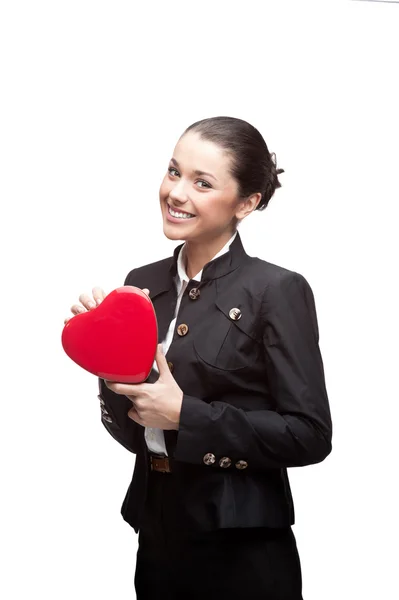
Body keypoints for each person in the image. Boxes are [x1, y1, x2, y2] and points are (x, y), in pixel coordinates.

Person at [66, 116, 332, 599]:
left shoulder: (276, 290)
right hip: (158, 534)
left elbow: (310, 434)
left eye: (201, 182)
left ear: (247, 203)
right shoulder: (142, 284)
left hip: (243, 548)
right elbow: (136, 435)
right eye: (173, 171)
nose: (176, 192)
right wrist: (105, 365)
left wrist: (186, 415)